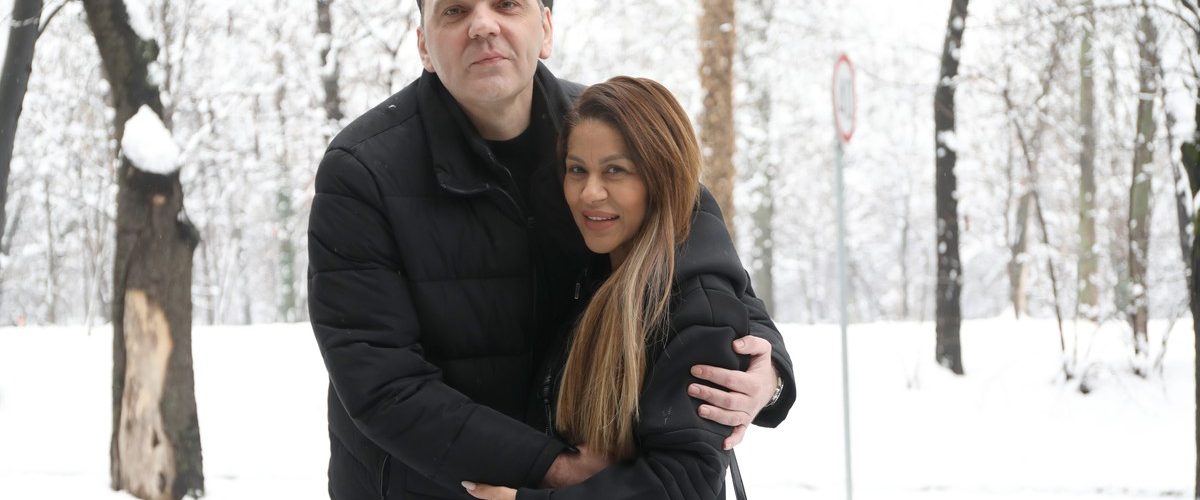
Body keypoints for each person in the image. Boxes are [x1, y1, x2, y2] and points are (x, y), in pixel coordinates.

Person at [307, 1, 795, 498]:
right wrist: (557, 469)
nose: (482, 25)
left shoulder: (607, 129)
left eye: (507, 4)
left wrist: (768, 370)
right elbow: (382, 382)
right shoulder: (362, 170)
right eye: (454, 10)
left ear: (545, 30)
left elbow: (700, 260)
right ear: (424, 46)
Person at [462, 76, 765, 500]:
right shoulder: (596, 268)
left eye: (615, 171)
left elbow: (684, 484)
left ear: (661, 177)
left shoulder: (692, 307)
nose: (590, 193)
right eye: (576, 170)